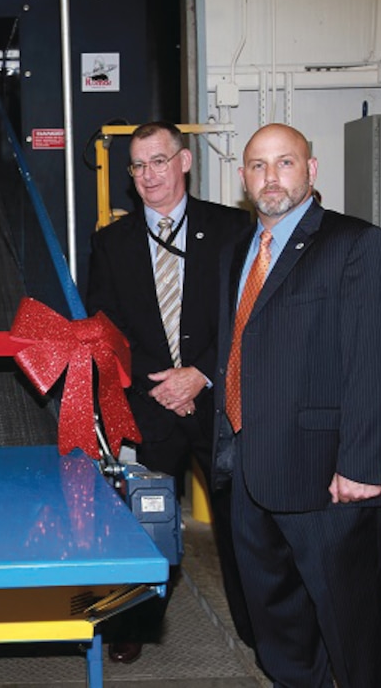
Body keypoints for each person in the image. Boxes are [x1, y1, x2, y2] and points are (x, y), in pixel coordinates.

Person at [212, 123, 381, 687]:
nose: (270, 177)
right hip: (250, 470)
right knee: (276, 620)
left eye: (285, 162)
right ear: (243, 177)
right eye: (257, 165)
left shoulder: (358, 245)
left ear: (312, 169)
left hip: (328, 478)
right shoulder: (238, 251)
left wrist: (364, 466)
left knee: (351, 625)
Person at [86, 121, 253, 662]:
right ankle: (134, 622)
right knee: (144, 523)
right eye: (138, 166)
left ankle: (256, 621)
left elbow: (247, 318)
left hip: (218, 402)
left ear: (184, 162)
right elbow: (105, 329)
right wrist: (158, 386)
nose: (148, 175)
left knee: (239, 521)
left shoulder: (234, 229)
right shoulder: (110, 243)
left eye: (159, 161)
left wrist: (199, 374)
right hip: (151, 407)